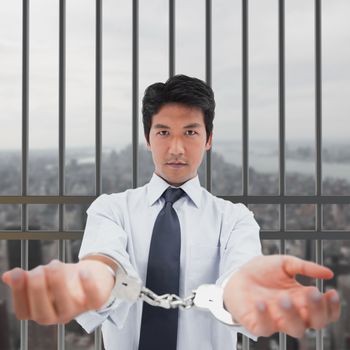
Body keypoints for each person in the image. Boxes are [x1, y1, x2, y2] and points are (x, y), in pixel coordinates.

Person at [2, 75, 340, 350]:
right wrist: (94, 278)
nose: (176, 148)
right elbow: (105, 257)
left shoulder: (235, 219)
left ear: (208, 139)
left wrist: (244, 292)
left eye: (190, 132)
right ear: (147, 138)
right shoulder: (110, 209)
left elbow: (241, 271)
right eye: (163, 132)